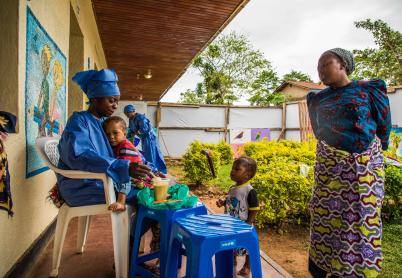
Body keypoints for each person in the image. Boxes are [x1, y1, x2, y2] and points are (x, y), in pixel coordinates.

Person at [307, 48, 391, 278]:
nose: (321, 70)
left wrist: (367, 157)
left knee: (358, 220)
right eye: (318, 66)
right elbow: (318, 131)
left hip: (364, 169)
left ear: (343, 64)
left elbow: (384, 125)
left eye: (326, 64)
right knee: (326, 218)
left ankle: (353, 270)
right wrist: (336, 155)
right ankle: (322, 265)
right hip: (329, 170)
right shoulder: (317, 98)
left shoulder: (367, 89)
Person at [57, 69, 151, 207]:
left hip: (103, 180)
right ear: (95, 99)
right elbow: (79, 156)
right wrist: (123, 167)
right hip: (82, 186)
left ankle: (137, 229)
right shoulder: (79, 121)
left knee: (152, 185)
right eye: (111, 100)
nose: (115, 106)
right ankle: (138, 229)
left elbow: (121, 150)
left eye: (117, 102)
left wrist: (148, 169)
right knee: (147, 195)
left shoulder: (104, 123)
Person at [216, 157, 259, 277]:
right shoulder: (232, 188)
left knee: (248, 247)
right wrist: (223, 202)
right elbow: (231, 200)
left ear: (247, 175)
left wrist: (249, 224)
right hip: (231, 224)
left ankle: (247, 267)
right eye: (232, 168)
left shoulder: (249, 190)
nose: (232, 171)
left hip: (244, 225)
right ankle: (233, 263)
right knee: (232, 244)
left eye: (237, 169)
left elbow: (255, 208)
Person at [124, 104, 167, 174]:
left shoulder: (141, 118)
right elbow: (131, 129)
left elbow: (145, 130)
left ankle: (155, 172)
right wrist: (127, 138)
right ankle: (150, 170)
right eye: (125, 114)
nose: (127, 115)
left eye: (127, 113)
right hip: (144, 138)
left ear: (132, 111)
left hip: (149, 138)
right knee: (146, 154)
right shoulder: (131, 119)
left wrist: (136, 132)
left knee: (151, 154)